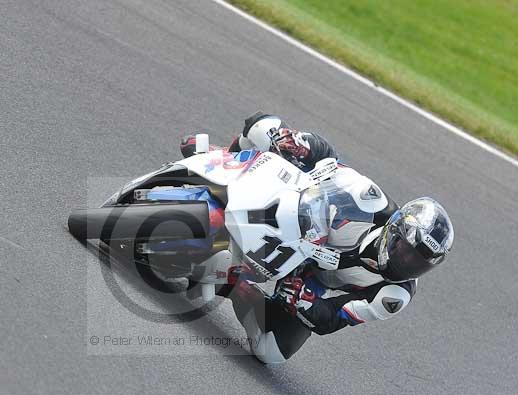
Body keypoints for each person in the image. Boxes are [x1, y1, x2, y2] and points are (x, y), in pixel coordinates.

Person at [184, 113, 454, 364]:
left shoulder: (395, 294)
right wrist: (303, 144)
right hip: (300, 229)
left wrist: (305, 301)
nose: (405, 262)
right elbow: (330, 161)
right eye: (405, 250)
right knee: (264, 128)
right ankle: (226, 159)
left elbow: (334, 319)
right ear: (393, 230)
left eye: (418, 263)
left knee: (272, 350)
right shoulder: (372, 202)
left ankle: (232, 284)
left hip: (309, 282)